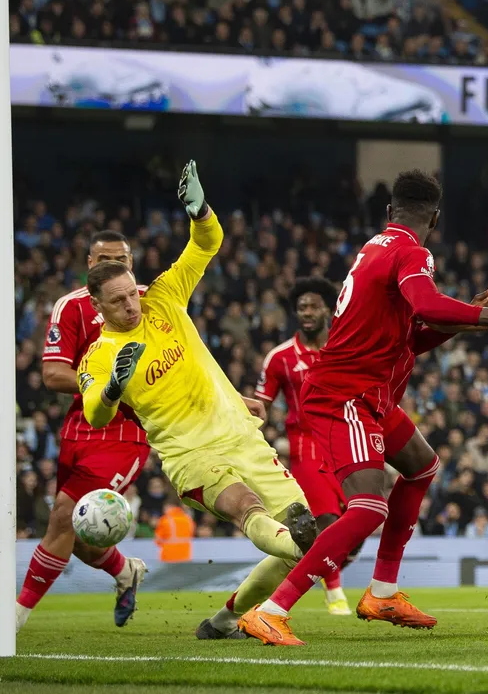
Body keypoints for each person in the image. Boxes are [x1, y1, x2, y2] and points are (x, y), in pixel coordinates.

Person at [238, 170, 488, 646]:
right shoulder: (410, 252)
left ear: (389, 212)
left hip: (370, 395)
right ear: (434, 219)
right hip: (347, 396)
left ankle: (382, 591)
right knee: (368, 507)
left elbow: (411, 337)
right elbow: (429, 304)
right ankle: (273, 609)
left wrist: (472, 321)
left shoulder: (373, 249)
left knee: (422, 466)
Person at [76, 161, 320, 642]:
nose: (133, 304)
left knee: (308, 536)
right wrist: (110, 390)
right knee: (249, 509)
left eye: (133, 293)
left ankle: (226, 621)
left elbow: (206, 243)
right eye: (120, 300)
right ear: (98, 306)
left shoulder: (163, 298)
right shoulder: (97, 357)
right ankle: (305, 569)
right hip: (189, 455)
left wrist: (200, 211)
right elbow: (94, 411)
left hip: (240, 435)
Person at [17, 231, 150, 633]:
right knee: (77, 532)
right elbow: (53, 373)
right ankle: (125, 570)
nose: (114, 266)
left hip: (126, 431)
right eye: (104, 259)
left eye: (122, 260)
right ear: (90, 265)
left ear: (131, 262)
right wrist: (106, 383)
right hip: (80, 427)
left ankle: (14, 618)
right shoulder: (71, 306)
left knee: (61, 517)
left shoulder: (153, 301)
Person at [255, 277, 352, 616]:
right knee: (326, 518)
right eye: (301, 308)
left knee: (360, 519)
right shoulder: (279, 357)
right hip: (305, 446)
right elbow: (260, 406)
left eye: (313, 306)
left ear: (328, 308)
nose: (306, 313)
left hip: (344, 439)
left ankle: (324, 568)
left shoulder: (343, 347)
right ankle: (335, 591)